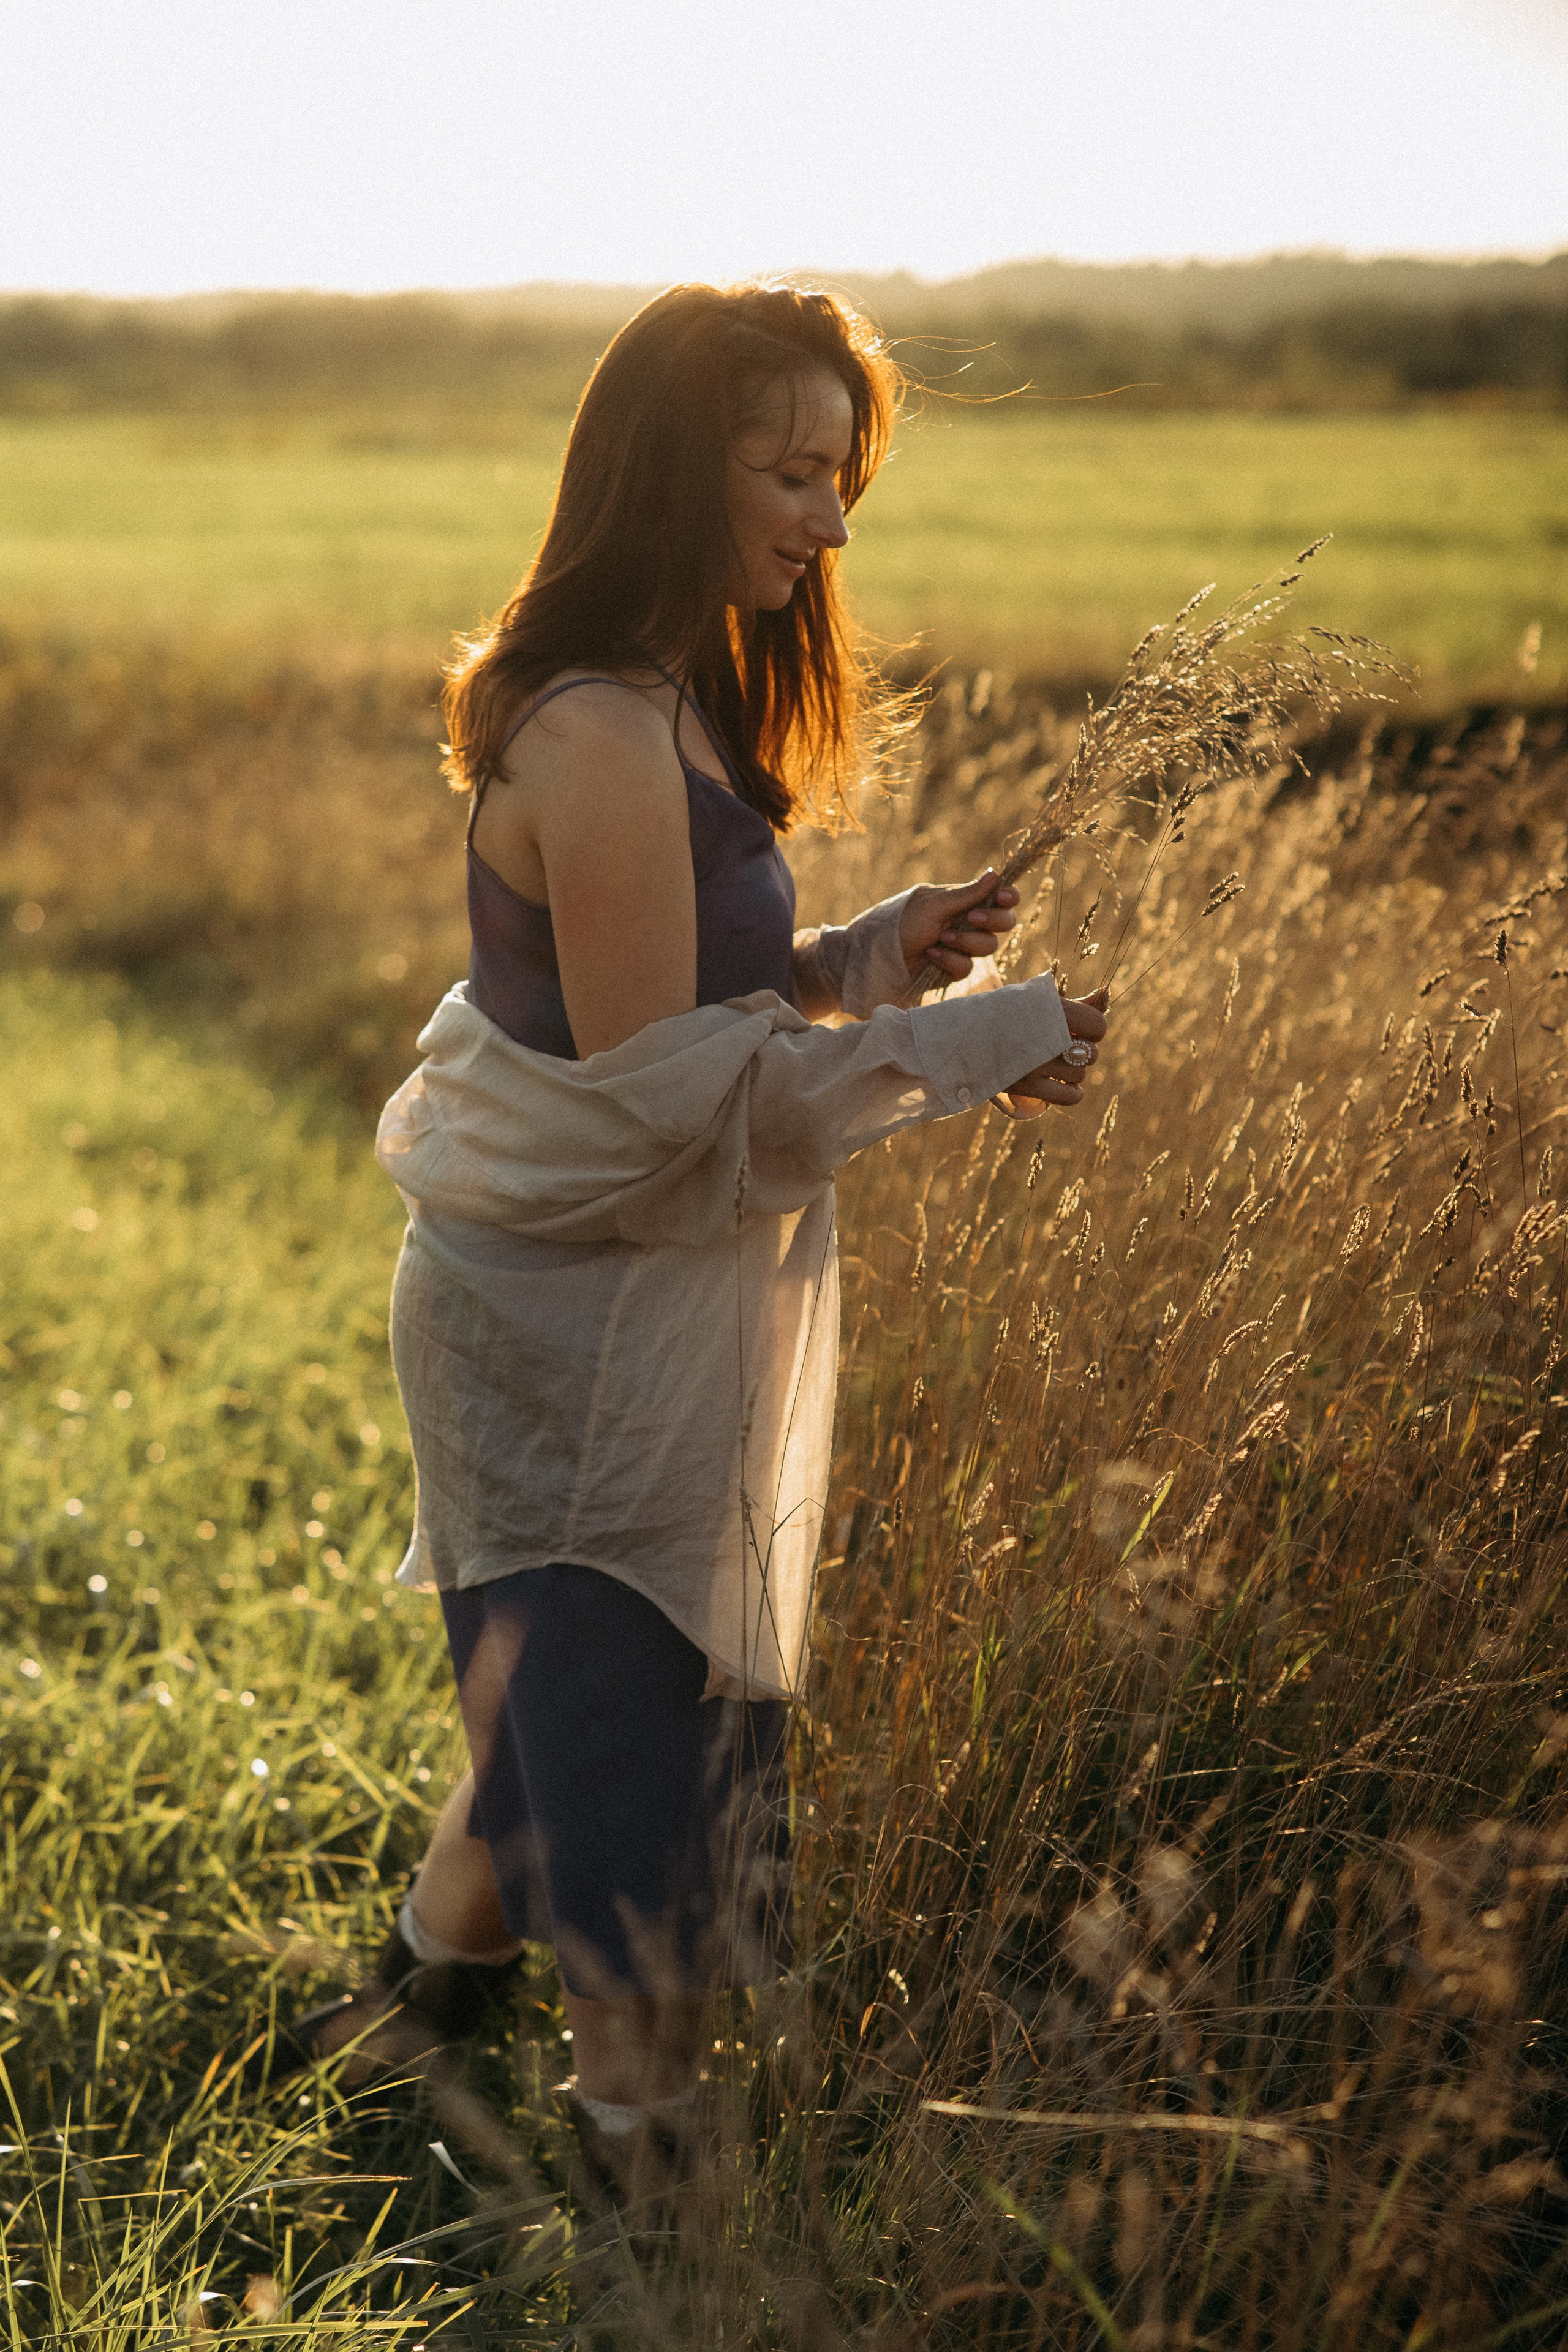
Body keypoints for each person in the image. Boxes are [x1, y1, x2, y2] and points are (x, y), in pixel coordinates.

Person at [262, 283, 1108, 2182]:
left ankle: (402, 2029)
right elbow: (668, 1115)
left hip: (623, 1306)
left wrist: (865, 954)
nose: (830, 522)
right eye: (791, 471)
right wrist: (975, 1043)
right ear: (670, 469)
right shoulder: (598, 734)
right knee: (620, 1714)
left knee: (561, 1699)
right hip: (570, 1326)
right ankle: (642, 2175)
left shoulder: (680, 702)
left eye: (844, 475)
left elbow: (685, 1004)